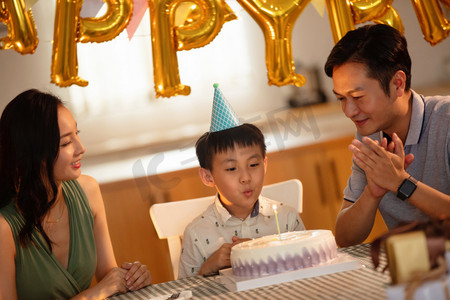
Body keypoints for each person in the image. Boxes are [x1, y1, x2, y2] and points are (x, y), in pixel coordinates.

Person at [0, 89, 152, 299]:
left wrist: (131, 277)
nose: (81, 148)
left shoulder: (88, 191)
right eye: (65, 143)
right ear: (34, 154)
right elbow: (102, 289)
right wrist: (94, 293)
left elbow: (108, 276)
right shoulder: (4, 228)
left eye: (76, 135)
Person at [324, 24, 450, 247]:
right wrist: (372, 193)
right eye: (341, 98)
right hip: (416, 271)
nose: (349, 111)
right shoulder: (370, 137)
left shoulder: (446, 120)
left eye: (358, 96)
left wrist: (402, 183)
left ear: (398, 84)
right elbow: (345, 238)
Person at [178, 84, 305, 278]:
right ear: (208, 176)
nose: (246, 178)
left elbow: (311, 268)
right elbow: (185, 294)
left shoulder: (287, 218)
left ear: (265, 163)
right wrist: (207, 268)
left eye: (253, 165)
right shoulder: (196, 233)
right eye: (231, 169)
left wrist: (265, 252)